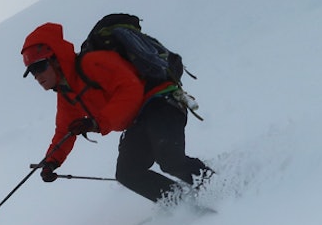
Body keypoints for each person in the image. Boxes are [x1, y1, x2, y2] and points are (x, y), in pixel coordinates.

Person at [21, 21, 210, 204]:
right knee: (128, 174)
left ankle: (217, 186)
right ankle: (182, 204)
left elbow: (130, 89)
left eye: (39, 67)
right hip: (138, 120)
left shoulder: (91, 64)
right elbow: (64, 130)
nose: (37, 76)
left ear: (56, 59)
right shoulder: (66, 93)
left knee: (169, 159)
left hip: (161, 102)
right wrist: (51, 162)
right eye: (32, 72)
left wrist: (97, 122)